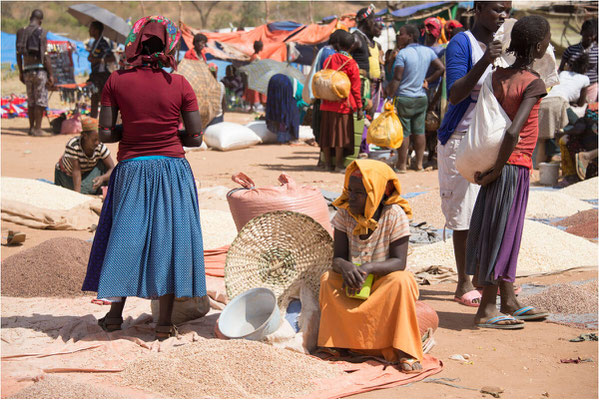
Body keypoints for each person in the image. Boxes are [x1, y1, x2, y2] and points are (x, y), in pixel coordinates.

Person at [81, 16, 206, 341]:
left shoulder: (116, 81)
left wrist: (135, 130)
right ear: (168, 45)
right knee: (167, 242)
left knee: (125, 238)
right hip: (171, 171)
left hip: (132, 169)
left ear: (134, 43)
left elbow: (106, 134)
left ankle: (112, 316)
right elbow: (194, 138)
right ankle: (164, 323)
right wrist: (165, 130)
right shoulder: (179, 84)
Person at [466, 15, 551, 329]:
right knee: (502, 236)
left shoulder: (498, 76)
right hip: (511, 168)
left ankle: (509, 300)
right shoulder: (534, 83)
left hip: (496, 164)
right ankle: (486, 309)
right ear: (538, 46)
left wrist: (490, 170)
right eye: (547, 39)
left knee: (501, 231)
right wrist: (497, 170)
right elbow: (514, 132)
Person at [436, 1, 510, 308]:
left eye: (507, 9)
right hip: (461, 140)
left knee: (488, 211)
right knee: (463, 213)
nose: (503, 15)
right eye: (496, 9)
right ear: (478, 9)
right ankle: (462, 282)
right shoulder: (461, 43)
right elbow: (455, 93)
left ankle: (484, 277)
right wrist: (484, 61)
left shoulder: (505, 44)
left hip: (491, 140)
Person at [318, 159, 423, 373]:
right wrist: (346, 268)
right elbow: (337, 258)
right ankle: (336, 345)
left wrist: (368, 268)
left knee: (402, 280)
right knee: (328, 280)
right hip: (352, 283)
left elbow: (399, 262)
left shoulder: (394, 215)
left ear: (377, 194)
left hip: (381, 285)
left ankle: (404, 350)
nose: (351, 197)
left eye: (359, 193)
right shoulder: (345, 214)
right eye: (350, 190)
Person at [386, 24, 445, 173]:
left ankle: (401, 165)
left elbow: (397, 77)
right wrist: (428, 80)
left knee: (404, 132)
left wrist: (389, 96)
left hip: (404, 98)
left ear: (410, 36)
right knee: (419, 131)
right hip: (421, 98)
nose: (399, 36)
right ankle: (418, 164)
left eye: (401, 34)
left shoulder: (402, 54)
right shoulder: (428, 51)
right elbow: (441, 68)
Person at [319, 30, 363, 172]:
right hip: (343, 105)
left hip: (326, 103)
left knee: (327, 134)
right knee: (340, 137)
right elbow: (355, 88)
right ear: (351, 46)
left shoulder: (328, 60)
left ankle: (327, 165)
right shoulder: (351, 63)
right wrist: (360, 107)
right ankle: (338, 165)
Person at [537, 54, 591, 166]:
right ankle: (567, 151)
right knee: (579, 125)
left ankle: (540, 166)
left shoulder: (564, 73)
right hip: (560, 103)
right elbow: (581, 103)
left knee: (543, 136)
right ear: (585, 69)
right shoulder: (585, 79)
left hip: (543, 102)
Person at [15, 9, 55, 136]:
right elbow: (45, 55)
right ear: (40, 21)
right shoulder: (41, 32)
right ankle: (38, 129)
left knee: (31, 100)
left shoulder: (21, 32)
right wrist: (51, 74)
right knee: (40, 100)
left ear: (30, 18)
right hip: (39, 71)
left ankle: (31, 128)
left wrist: (21, 71)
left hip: (26, 70)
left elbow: (18, 55)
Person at [54, 116, 115, 194]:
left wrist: (102, 178)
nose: (97, 142)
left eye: (99, 139)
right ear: (85, 136)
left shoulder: (100, 146)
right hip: (68, 176)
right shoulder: (73, 146)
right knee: (84, 190)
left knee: (103, 165)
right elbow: (76, 172)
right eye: (94, 140)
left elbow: (112, 168)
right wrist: (77, 196)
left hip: (86, 173)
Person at [558, 18, 598, 103]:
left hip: (591, 88)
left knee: (590, 111)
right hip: (572, 88)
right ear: (581, 33)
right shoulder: (570, 50)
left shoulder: (597, 51)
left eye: (592, 35)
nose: (589, 37)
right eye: (587, 34)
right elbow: (561, 69)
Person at [558, 103, 598, 184]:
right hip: (592, 160)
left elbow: (578, 130)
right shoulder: (588, 119)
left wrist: (564, 132)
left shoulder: (586, 119)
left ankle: (571, 176)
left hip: (587, 155)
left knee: (565, 139)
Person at [87, 21, 116, 119]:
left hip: (102, 76)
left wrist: (99, 60)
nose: (89, 30)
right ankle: (93, 124)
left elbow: (112, 58)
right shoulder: (95, 43)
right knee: (94, 99)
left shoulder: (102, 43)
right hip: (95, 76)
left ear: (97, 30)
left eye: (91, 28)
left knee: (102, 100)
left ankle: (105, 123)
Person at [351, 5, 377, 115]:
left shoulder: (363, 38)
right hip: (358, 85)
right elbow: (347, 58)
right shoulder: (356, 38)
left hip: (363, 84)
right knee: (357, 116)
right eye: (373, 20)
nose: (374, 23)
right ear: (367, 22)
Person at [265, 74, 300, 144]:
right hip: (290, 134)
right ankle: (285, 136)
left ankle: (283, 136)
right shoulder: (291, 105)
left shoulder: (273, 105)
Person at [243, 40, 267, 112]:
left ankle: (251, 107)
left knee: (252, 92)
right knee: (256, 92)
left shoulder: (253, 56)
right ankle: (256, 107)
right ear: (260, 48)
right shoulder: (256, 57)